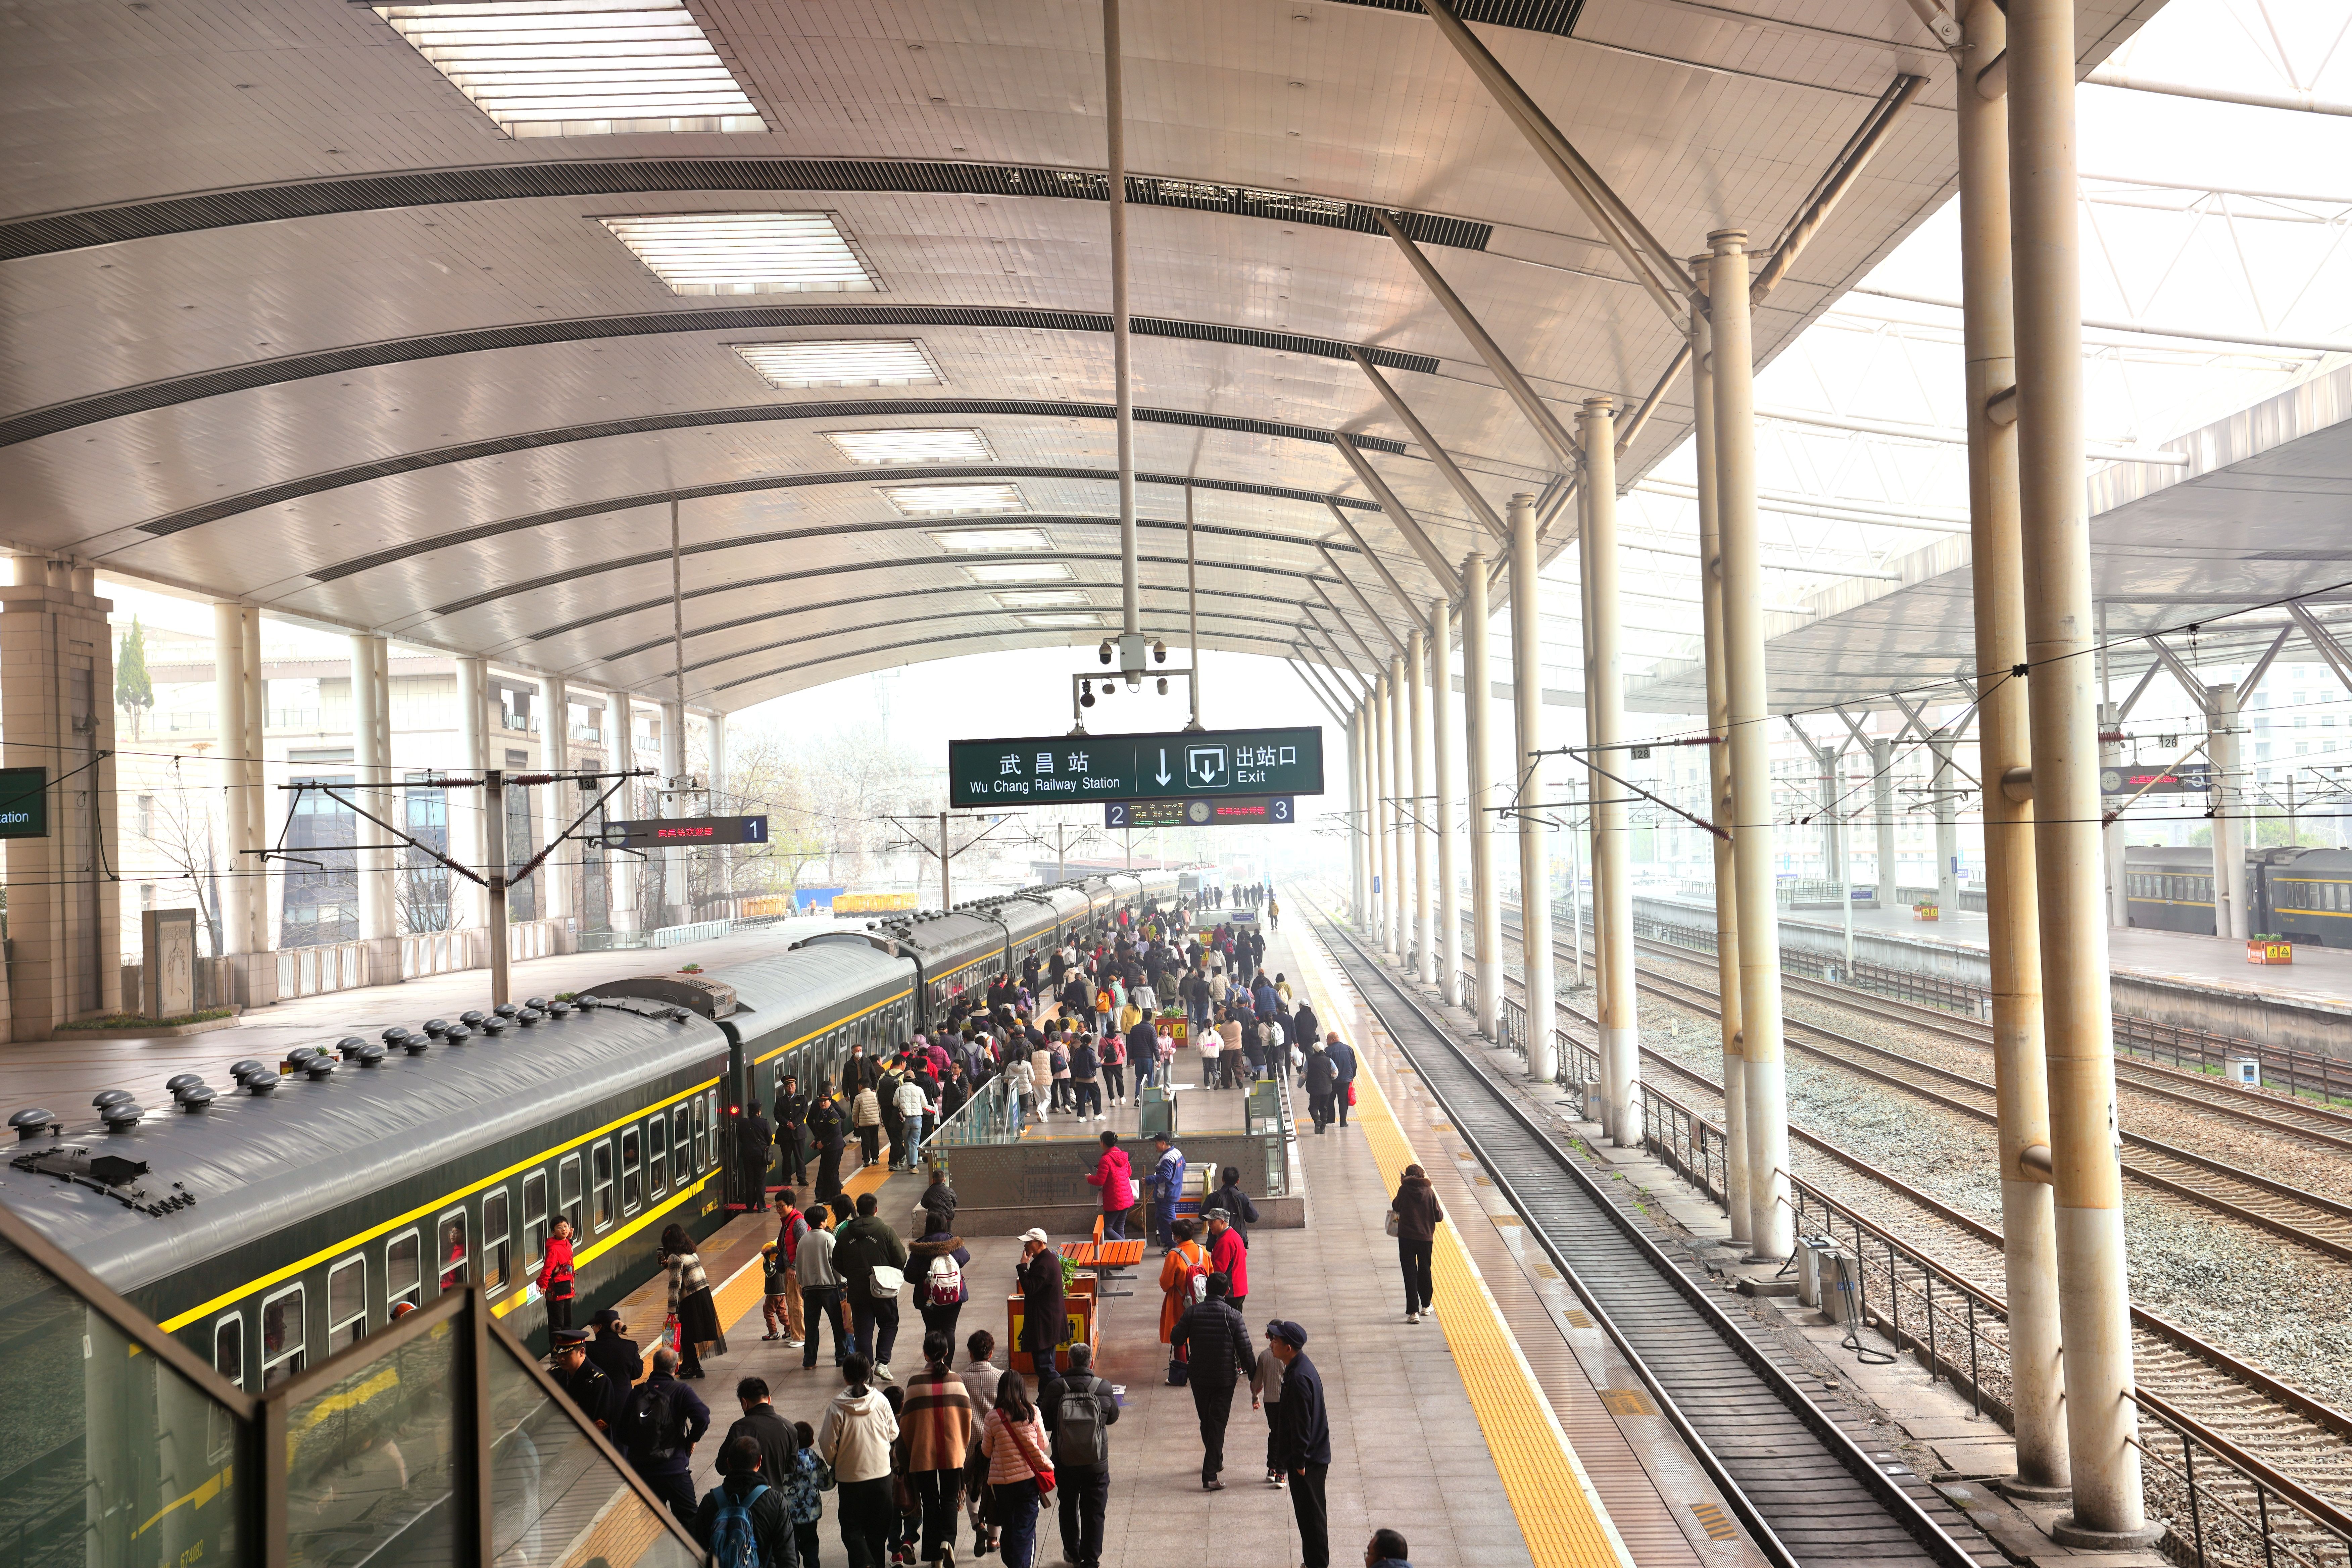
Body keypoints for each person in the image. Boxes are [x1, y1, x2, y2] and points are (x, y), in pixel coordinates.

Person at [1168, 1274, 1252, 1491]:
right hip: (1225, 1379)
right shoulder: (1234, 1316)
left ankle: (1216, 1460)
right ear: (1227, 1292)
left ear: (1207, 1289)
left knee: (1206, 1419)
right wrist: (1255, 1378)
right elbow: (1245, 1349)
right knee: (1218, 1423)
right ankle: (1210, 1475)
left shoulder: (1193, 1313)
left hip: (1199, 1377)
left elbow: (1176, 1338)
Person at [896, 1331, 973, 1566]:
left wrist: (906, 1455)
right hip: (952, 1452)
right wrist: (961, 1448)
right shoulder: (957, 1381)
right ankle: (947, 1542)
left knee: (930, 1502)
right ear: (947, 1352)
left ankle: (934, 1559)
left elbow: (905, 1424)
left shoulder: (915, 1383)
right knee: (950, 1498)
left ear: (925, 1354)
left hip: (923, 1454)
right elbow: (967, 1419)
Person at [816, 1356, 900, 1568]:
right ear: (869, 1375)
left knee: (852, 1530)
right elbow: (894, 1433)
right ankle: (873, 1563)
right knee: (877, 1535)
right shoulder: (881, 1401)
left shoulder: (837, 1407)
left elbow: (827, 1444)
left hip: (851, 1481)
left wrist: (839, 1462)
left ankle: (864, 1563)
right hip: (881, 1477)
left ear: (845, 1377)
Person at [1041, 1342, 1117, 1568]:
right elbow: (1113, 1417)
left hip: (1065, 1461)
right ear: (1091, 1362)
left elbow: (1046, 1423)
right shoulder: (1104, 1387)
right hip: (1096, 1462)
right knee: (1095, 1510)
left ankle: (1073, 1552)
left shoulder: (1056, 1387)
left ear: (1069, 1362)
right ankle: (1091, 1559)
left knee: (1067, 1506)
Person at [622, 1346, 712, 1530]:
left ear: (653, 1366)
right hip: (674, 1470)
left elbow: (622, 1432)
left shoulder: (637, 1393)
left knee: (653, 1527)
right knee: (691, 1523)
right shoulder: (681, 1390)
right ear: (677, 1367)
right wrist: (691, 1440)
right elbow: (703, 1417)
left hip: (643, 1473)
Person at [1270, 1322, 1332, 1568]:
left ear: (1288, 1348)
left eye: (1276, 1341)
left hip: (1309, 1461)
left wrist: (1299, 1463)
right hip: (1312, 1456)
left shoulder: (1298, 1378)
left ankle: (1317, 1564)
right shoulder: (1300, 1367)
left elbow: (1301, 1425)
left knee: (1311, 1518)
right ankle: (1313, 1562)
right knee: (1309, 1517)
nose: (1271, 1344)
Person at [978, 1371, 1051, 1568]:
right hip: (1028, 1482)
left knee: (1009, 1527)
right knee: (1025, 1530)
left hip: (1002, 1485)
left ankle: (1012, 1562)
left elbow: (986, 1451)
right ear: (1022, 1389)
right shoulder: (1033, 1412)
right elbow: (1043, 1445)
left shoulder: (993, 1417)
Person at [694, 1434, 799, 1568]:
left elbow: (696, 1551)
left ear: (728, 1463)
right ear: (760, 1462)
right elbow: (787, 1558)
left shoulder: (710, 1501)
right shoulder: (775, 1502)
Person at [835, 1192, 909, 1379]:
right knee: (889, 1324)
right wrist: (888, 1273)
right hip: (883, 1289)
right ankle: (882, 1363)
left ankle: (865, 1369)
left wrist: (852, 1275)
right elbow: (901, 1258)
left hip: (858, 1291)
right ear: (876, 1209)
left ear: (858, 1210)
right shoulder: (886, 1231)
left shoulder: (845, 1234)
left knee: (863, 1331)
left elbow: (836, 1262)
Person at [959, 1332, 1003, 1560]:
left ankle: (979, 1525)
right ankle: (994, 1539)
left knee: (973, 1486)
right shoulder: (1001, 1377)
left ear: (970, 1354)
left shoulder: (960, 1379)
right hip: (996, 1443)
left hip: (971, 1444)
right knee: (995, 1490)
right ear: (991, 1353)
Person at [664, 1223, 726, 1379]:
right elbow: (683, 1270)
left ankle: (694, 1367)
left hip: (691, 1298)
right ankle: (690, 1366)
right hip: (703, 1294)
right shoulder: (690, 1252)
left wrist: (671, 1310)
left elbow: (675, 1284)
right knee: (688, 1333)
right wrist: (668, 1266)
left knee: (685, 1334)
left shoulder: (674, 1257)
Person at [725, 1376, 802, 1498]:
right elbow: (791, 1467)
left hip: (743, 1499)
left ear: (745, 1403)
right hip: (775, 1499)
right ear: (769, 1399)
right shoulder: (789, 1428)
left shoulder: (739, 1428)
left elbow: (722, 1467)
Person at [1390, 1164, 1445, 1324]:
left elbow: (1396, 1206)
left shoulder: (1404, 1190)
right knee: (1425, 1269)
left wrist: (1403, 1186)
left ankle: (1413, 1312)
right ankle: (1426, 1306)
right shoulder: (1429, 1192)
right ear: (1422, 1177)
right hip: (1425, 1239)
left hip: (1406, 1238)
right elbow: (1439, 1217)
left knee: (1410, 1272)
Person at [798, 1199, 848, 1370]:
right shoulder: (828, 1238)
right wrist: (843, 1281)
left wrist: (802, 1284)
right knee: (838, 1324)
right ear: (823, 1222)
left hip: (809, 1289)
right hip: (830, 1289)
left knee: (812, 1327)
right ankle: (841, 1358)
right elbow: (835, 1263)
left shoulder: (803, 1240)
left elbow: (799, 1265)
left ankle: (810, 1361)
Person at [907, 1220, 971, 1348]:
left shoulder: (920, 1247)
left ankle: (933, 1359)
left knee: (931, 1329)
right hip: (953, 1295)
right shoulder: (953, 1243)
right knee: (949, 1330)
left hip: (928, 1299)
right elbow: (965, 1257)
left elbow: (909, 1276)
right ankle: (947, 1360)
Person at [551, 1327, 623, 1433]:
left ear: (582, 1352)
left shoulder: (599, 1381)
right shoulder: (556, 1374)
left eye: (567, 1354)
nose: (562, 1359)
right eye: (559, 1354)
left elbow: (602, 1422)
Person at [1014, 1228, 1066, 1374]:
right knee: (1047, 1365)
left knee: (1044, 1368)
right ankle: (1049, 1391)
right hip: (1049, 1322)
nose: (1025, 1246)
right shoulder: (1048, 1259)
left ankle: (1062, 1386)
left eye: (1029, 1242)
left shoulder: (1043, 1265)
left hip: (1044, 1324)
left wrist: (1023, 1267)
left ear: (1040, 1244)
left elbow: (1030, 1289)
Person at [1157, 1220, 1209, 1349]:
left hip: (1180, 1301)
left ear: (1178, 1237)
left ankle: (1182, 1361)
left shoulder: (1174, 1255)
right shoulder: (1203, 1250)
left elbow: (1165, 1284)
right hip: (1201, 1299)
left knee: (1180, 1338)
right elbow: (1210, 1273)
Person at [786, 1421, 828, 1568]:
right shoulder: (814, 1459)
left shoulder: (785, 1460)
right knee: (811, 1546)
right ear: (812, 1442)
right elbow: (826, 1484)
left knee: (791, 1548)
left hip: (790, 1515)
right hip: (810, 1514)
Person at [1249, 1323, 1286, 1488]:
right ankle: (1281, 1474)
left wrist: (1255, 1398)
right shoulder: (1285, 1355)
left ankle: (1271, 1469)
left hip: (1269, 1402)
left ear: (1267, 1336)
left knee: (1274, 1433)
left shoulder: (1264, 1356)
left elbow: (1257, 1382)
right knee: (1284, 1435)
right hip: (1284, 1401)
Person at [771, 1193, 810, 1346]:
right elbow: (787, 1245)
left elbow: (803, 1246)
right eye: (777, 1207)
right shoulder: (788, 1221)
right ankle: (795, 1333)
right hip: (789, 1268)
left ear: (791, 1205)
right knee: (791, 1301)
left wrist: (794, 1267)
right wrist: (773, 1250)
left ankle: (801, 1336)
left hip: (796, 1270)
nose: (778, 1209)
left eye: (781, 1206)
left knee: (796, 1302)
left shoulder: (798, 1222)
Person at [1084, 1130, 1133, 1241]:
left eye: (1100, 1141)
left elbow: (1100, 1180)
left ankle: (1126, 1246)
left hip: (1114, 1199)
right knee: (1119, 1228)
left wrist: (1089, 1178)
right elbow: (1129, 1173)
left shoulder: (1106, 1160)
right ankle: (1124, 1250)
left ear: (1103, 1143)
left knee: (1107, 1228)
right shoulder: (1122, 1155)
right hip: (1126, 1197)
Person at [536, 1216, 577, 1330]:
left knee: (567, 1322)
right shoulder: (554, 1250)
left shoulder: (566, 1243)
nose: (564, 1229)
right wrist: (543, 1285)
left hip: (567, 1289)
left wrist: (569, 1238)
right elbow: (547, 1269)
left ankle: (568, 1341)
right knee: (557, 1324)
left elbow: (568, 1247)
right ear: (554, 1232)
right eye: (560, 1228)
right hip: (556, 1292)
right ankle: (557, 1342)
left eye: (565, 1226)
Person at [1144, 1132, 1184, 1248]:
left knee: (1169, 1224)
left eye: (1156, 1143)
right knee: (1161, 1219)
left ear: (1163, 1143)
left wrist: (1149, 1180)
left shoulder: (1167, 1158)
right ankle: (1169, 1245)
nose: (1155, 1145)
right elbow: (1184, 1166)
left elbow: (1166, 1176)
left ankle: (1173, 1248)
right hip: (1173, 1192)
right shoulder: (1177, 1153)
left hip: (1166, 1196)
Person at [1205, 1208, 1249, 1314]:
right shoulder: (1233, 1235)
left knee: (1229, 1321)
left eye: (1212, 1221)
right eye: (1209, 1221)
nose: (1209, 1225)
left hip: (1231, 1292)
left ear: (1222, 1222)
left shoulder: (1225, 1241)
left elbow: (1219, 1270)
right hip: (1239, 1289)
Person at [809, 1090, 849, 1203]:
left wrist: (823, 1143)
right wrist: (816, 1140)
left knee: (833, 1174)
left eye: (825, 1101)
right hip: (827, 1149)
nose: (823, 1103)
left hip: (835, 1148)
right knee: (826, 1173)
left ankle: (836, 1198)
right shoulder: (822, 1113)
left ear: (830, 1102)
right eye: (821, 1101)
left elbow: (835, 1132)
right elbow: (821, 1129)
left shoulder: (833, 1114)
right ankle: (825, 1197)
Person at [588, 1307, 644, 1387]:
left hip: (598, 1394)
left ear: (600, 1327)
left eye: (594, 1326)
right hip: (624, 1394)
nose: (593, 1329)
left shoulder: (589, 1348)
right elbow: (638, 1373)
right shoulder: (631, 1347)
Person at [1208, 1167, 1260, 1248]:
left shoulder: (1213, 1197)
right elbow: (1253, 1217)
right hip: (1238, 1239)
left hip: (1217, 1239)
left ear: (1223, 1179)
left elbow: (1202, 1215)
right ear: (1238, 1181)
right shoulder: (1243, 1197)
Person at [894, 1066, 931, 1171]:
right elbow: (925, 1104)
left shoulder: (899, 1090)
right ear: (914, 1080)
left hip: (904, 1120)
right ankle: (913, 1166)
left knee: (907, 1142)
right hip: (917, 1119)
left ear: (904, 1080)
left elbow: (895, 1103)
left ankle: (910, 1164)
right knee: (915, 1142)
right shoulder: (919, 1089)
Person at [776, 1075, 811, 1187]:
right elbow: (777, 1115)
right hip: (785, 1134)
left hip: (798, 1133)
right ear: (784, 1088)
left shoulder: (802, 1099)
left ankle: (802, 1178)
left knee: (800, 1157)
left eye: (792, 1085)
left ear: (796, 1086)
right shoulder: (780, 1101)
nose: (790, 1088)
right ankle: (786, 1179)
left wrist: (794, 1124)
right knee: (786, 1158)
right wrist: (787, 1123)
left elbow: (803, 1113)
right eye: (788, 1086)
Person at [1324, 1031, 1358, 1129]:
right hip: (1346, 1080)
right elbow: (1354, 1065)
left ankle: (1331, 1118)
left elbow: (1327, 1066)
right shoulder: (1349, 1049)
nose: (1327, 1041)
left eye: (1328, 1039)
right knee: (1343, 1101)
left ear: (1333, 1039)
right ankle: (1343, 1122)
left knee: (1330, 1099)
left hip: (1333, 1081)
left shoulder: (1328, 1051)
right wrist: (1352, 1077)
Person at [1304, 1042, 1338, 1134]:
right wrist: (1331, 1079)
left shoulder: (1309, 1061)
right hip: (1326, 1088)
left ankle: (1317, 1120)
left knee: (1313, 1107)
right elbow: (1335, 1073)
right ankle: (1323, 1128)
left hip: (1314, 1089)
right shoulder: (1329, 1060)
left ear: (1314, 1051)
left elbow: (1304, 1074)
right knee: (1324, 1108)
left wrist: (1300, 1085)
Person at [1068, 1034, 1101, 1121]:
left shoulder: (1078, 1051)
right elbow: (1093, 1065)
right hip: (1090, 1078)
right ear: (1090, 1042)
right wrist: (1101, 1063)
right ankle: (1097, 1114)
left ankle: (1081, 1117)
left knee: (1081, 1097)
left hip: (1079, 1078)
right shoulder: (1091, 1052)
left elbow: (1074, 1062)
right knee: (1096, 1095)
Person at [851, 1079, 883, 1170]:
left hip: (864, 1124)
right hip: (875, 1122)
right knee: (874, 1140)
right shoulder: (875, 1095)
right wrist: (882, 1121)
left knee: (866, 1142)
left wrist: (855, 1121)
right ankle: (875, 1159)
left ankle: (866, 1160)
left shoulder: (858, 1098)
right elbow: (880, 1109)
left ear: (861, 1086)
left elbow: (855, 1112)